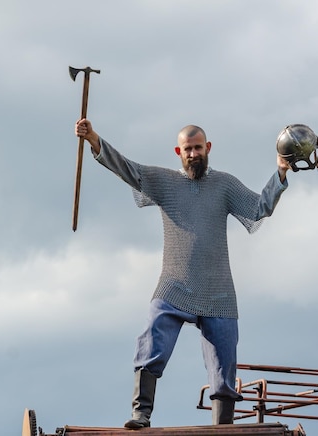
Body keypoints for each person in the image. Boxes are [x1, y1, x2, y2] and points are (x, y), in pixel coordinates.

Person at [75, 118, 290, 428]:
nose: (193, 154)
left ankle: (223, 428)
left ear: (208, 148)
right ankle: (141, 414)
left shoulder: (224, 185)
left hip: (218, 291)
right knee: (152, 339)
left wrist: (281, 172)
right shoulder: (164, 182)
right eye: (187, 149)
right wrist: (94, 139)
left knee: (224, 363)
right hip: (174, 285)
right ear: (178, 151)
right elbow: (127, 168)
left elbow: (258, 208)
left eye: (198, 148)